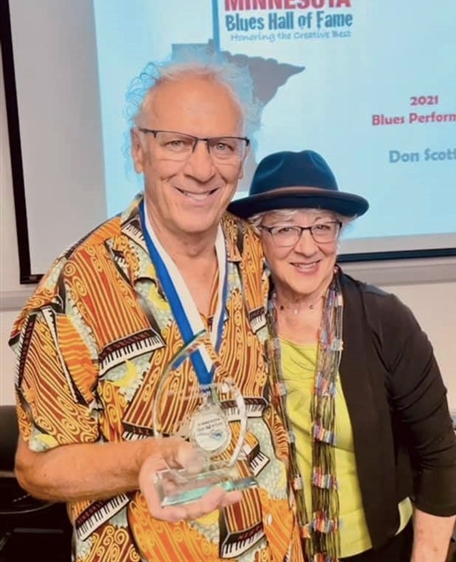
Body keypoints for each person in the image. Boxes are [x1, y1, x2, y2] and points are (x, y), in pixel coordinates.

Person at [9, 54, 303, 562]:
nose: (202, 168)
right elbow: (35, 468)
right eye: (177, 143)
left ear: (243, 156)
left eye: (222, 146)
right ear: (138, 150)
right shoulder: (74, 290)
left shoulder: (256, 251)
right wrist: (141, 459)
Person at [228, 150, 456, 562]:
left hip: (379, 550)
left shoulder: (384, 319)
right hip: (272, 548)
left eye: (322, 226)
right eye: (285, 229)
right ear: (256, 234)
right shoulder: (235, 325)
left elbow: (439, 457)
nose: (307, 246)